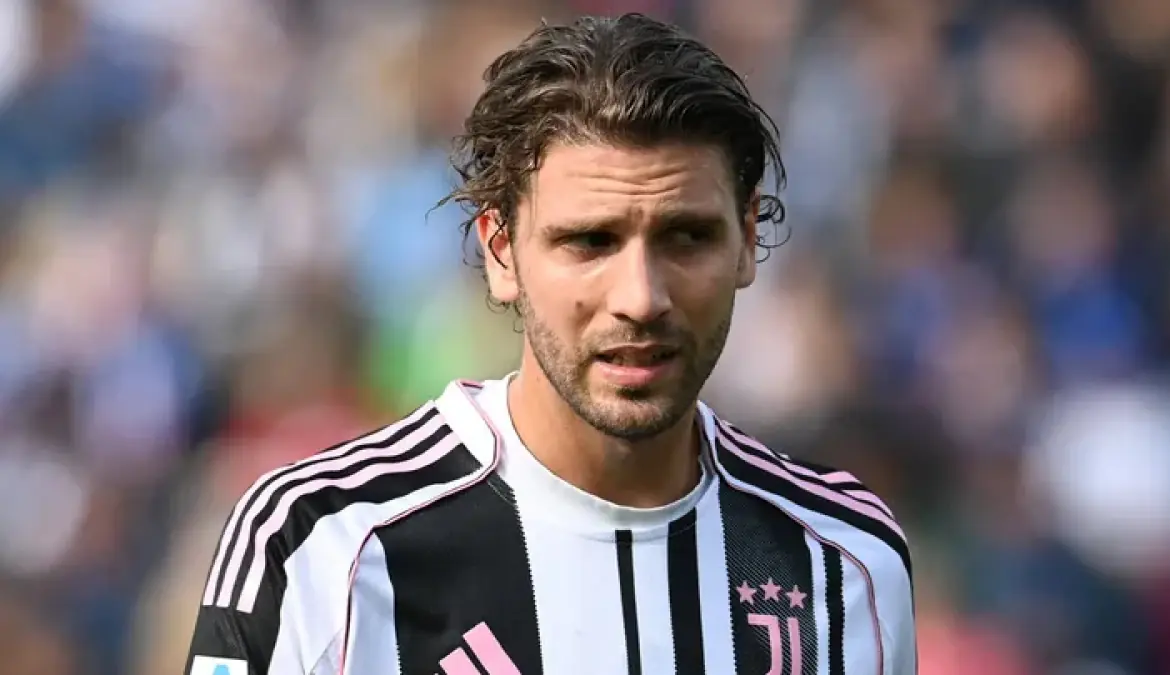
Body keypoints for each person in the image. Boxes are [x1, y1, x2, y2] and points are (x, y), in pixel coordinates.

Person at [184, 13, 915, 675]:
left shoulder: (845, 564)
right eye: (589, 241)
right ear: (501, 251)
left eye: (687, 237)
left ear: (749, 239)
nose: (640, 297)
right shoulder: (320, 543)